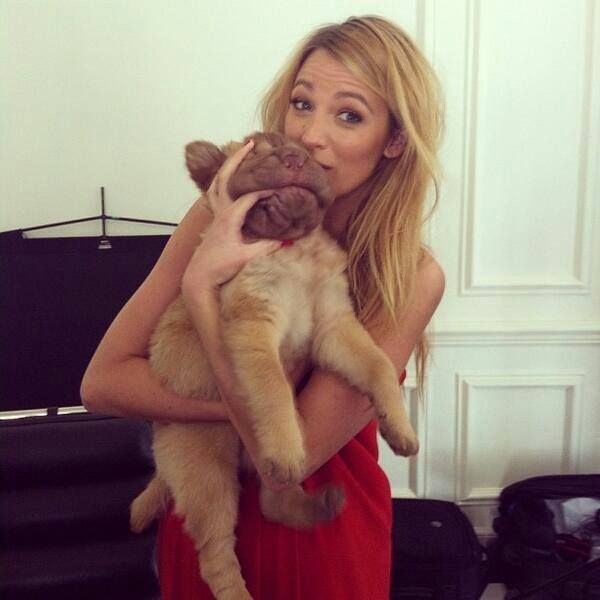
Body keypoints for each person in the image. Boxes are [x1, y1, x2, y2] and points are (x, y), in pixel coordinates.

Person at [81, 14, 445, 600]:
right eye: (302, 104)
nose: (310, 135)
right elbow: (101, 384)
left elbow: (290, 456)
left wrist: (202, 289)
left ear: (395, 141)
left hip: (320, 542)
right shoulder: (218, 213)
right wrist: (245, 413)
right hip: (206, 515)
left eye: (348, 115)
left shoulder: (410, 276)